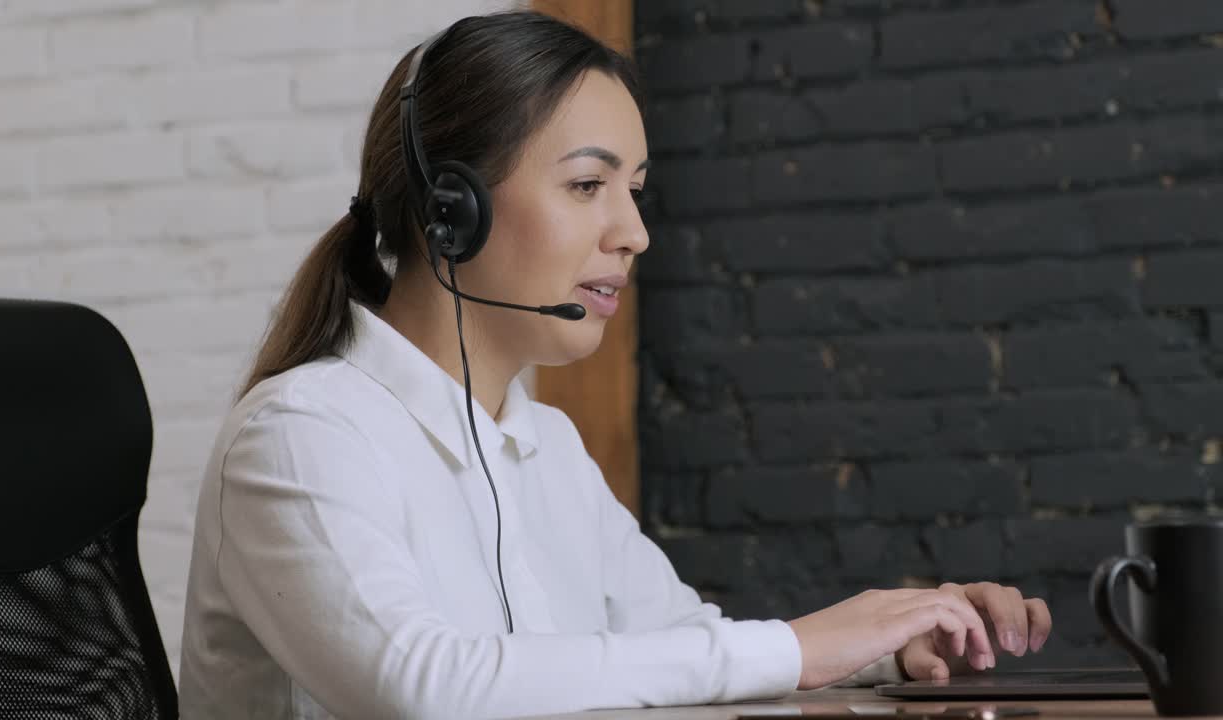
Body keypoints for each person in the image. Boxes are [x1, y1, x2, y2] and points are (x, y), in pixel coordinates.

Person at [178, 10, 1052, 719]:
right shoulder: (301, 435)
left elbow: (684, 651)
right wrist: (800, 644)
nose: (633, 233)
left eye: (634, 189)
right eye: (588, 186)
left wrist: (879, 655)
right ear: (454, 211)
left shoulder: (542, 446)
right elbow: (418, 686)